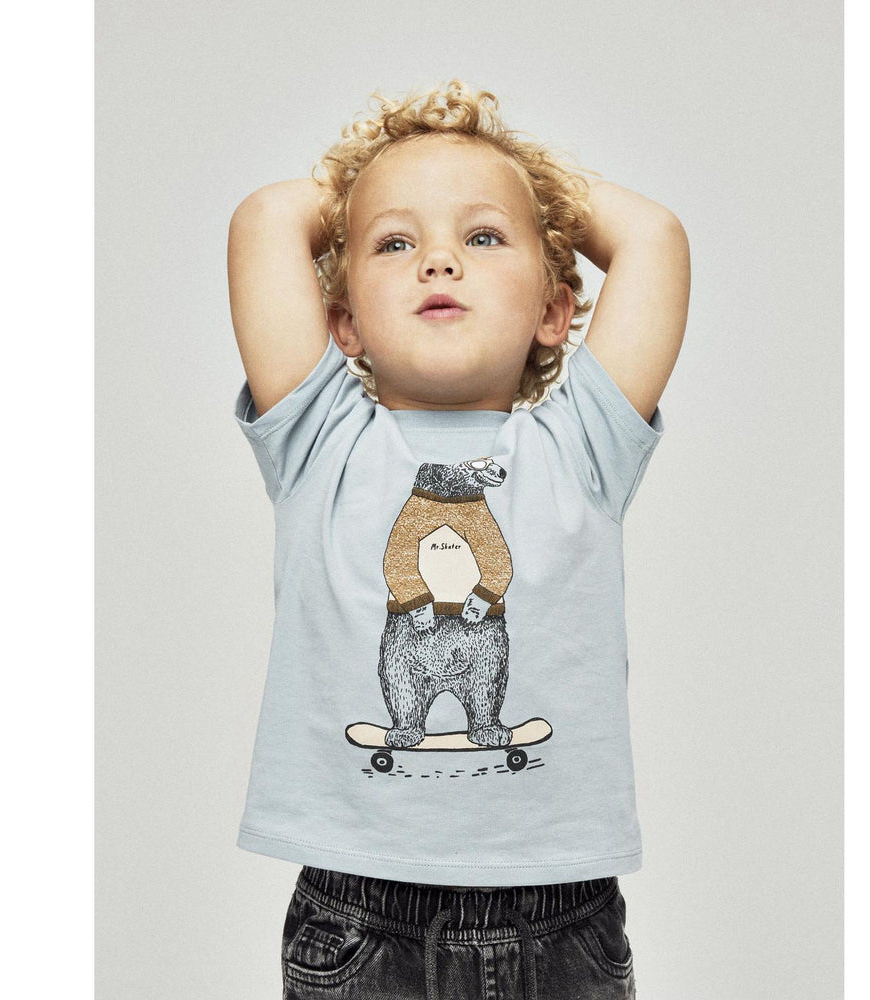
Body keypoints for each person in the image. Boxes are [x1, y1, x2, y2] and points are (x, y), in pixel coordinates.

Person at [227, 79, 690, 1000]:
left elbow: (654, 238)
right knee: (407, 665)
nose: (438, 260)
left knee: (485, 663)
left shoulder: (583, 448)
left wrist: (527, 182)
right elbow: (266, 220)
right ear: (344, 322)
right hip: (359, 917)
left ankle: (480, 722)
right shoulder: (320, 441)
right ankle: (410, 724)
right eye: (395, 243)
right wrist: (380, 175)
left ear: (554, 311)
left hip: (563, 918)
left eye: (482, 238)